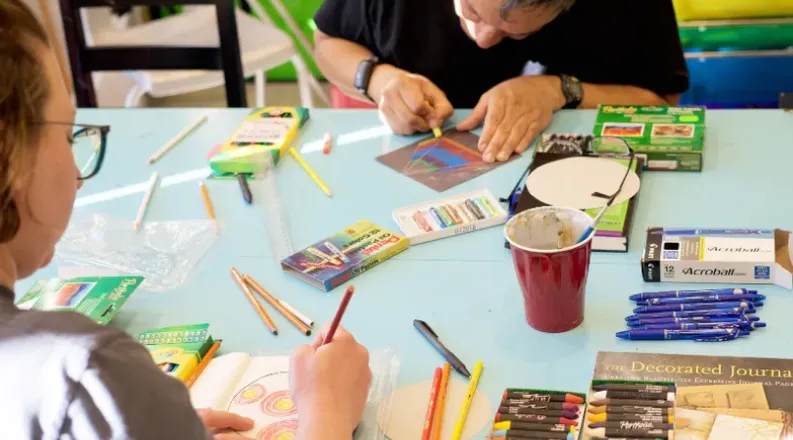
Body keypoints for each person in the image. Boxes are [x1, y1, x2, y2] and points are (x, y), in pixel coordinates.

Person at [0, 1, 371, 439]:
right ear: (12, 156)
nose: (78, 171)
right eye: (68, 134)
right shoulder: (85, 374)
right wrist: (324, 412)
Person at [313, 0, 689, 162]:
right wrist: (379, 80)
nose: (482, 39)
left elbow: (660, 98)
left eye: (515, 34)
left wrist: (561, 90)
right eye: (472, 10)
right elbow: (327, 42)